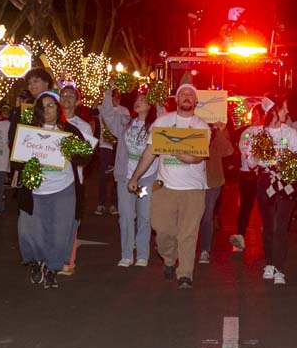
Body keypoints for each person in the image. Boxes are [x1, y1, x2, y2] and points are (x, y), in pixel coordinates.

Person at [126, 81, 209, 289]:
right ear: (176, 99)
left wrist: (179, 153)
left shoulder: (201, 126)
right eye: (183, 94)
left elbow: (198, 157)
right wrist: (135, 177)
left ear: (196, 101)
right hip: (165, 187)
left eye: (191, 94)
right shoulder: (162, 122)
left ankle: (185, 275)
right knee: (162, 230)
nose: (187, 97)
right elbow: (149, 153)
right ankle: (170, 259)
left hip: (193, 189)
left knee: (188, 234)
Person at [17, 90, 90, 287]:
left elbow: (85, 157)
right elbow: (16, 161)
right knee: (29, 231)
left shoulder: (70, 130)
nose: (47, 109)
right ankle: (36, 261)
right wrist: (27, 165)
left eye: (51, 105)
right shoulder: (29, 131)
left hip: (63, 188)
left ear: (58, 109)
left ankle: (53, 268)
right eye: (43, 106)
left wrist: (72, 150)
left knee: (60, 231)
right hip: (35, 190)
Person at [99, 86, 159, 266]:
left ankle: (142, 254)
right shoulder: (126, 123)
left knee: (144, 216)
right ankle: (126, 254)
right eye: (137, 99)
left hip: (147, 178)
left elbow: (164, 113)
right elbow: (107, 113)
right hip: (126, 176)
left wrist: (158, 95)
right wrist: (110, 89)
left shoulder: (157, 125)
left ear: (151, 105)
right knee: (125, 215)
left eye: (143, 99)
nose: (138, 101)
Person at [250, 95, 297, 284]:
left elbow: (296, 157)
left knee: (280, 226)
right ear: (274, 110)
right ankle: (270, 263)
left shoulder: (290, 133)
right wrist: (257, 155)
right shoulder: (259, 133)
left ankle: (279, 267)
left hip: (285, 181)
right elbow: (251, 162)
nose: (287, 112)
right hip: (265, 181)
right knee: (269, 225)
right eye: (284, 108)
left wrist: (285, 166)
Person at [59, 83, 94, 276]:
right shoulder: (50, 123)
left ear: (78, 101)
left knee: (72, 220)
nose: (66, 99)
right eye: (63, 95)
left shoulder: (84, 126)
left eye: (71, 96)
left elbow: (86, 155)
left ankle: (68, 260)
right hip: (51, 179)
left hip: (74, 179)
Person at [230, 102, 267, 252]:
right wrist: (253, 157)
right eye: (254, 115)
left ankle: (268, 235)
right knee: (245, 206)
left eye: (258, 114)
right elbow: (244, 148)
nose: (255, 118)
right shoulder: (247, 132)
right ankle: (240, 237)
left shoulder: (267, 131)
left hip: (264, 174)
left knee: (266, 206)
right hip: (248, 175)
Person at [199, 121, 234, 265]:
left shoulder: (218, 133)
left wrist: (218, 130)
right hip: (192, 181)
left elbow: (228, 150)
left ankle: (204, 250)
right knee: (191, 217)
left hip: (212, 182)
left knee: (207, 216)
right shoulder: (192, 126)